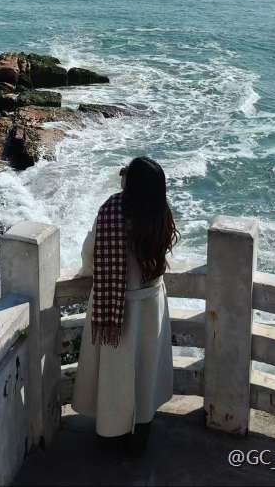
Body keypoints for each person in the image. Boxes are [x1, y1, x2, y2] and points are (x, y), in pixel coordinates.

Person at [72, 156, 179, 453]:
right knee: (146, 370)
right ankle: (141, 433)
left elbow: (91, 252)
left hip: (115, 304)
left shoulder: (112, 210)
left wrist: (87, 271)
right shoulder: (160, 211)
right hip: (151, 303)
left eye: (126, 173)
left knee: (115, 374)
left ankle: (111, 432)